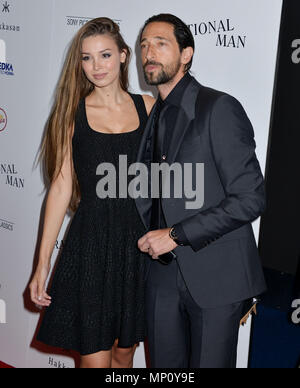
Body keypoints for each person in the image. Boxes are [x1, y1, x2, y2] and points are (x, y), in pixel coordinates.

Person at [137, 14, 267, 368]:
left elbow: (250, 198)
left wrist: (177, 235)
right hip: (161, 274)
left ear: (186, 54)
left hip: (217, 275)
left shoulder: (218, 108)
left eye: (161, 43)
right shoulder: (152, 114)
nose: (149, 52)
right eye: (144, 45)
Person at [29, 17, 155, 369]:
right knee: (95, 360)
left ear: (124, 56)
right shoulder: (73, 114)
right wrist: (42, 264)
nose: (96, 67)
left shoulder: (148, 107)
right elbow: (60, 187)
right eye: (87, 58)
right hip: (92, 245)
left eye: (104, 55)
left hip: (137, 247)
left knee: (123, 356)